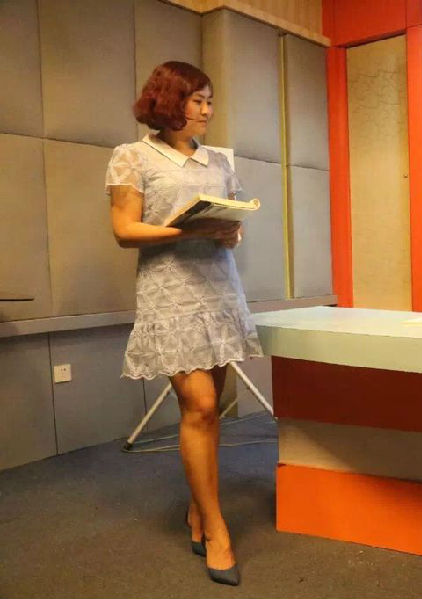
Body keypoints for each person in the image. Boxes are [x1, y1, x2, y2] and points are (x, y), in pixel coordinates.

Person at [105, 61, 261, 586]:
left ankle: (198, 509)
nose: (207, 110)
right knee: (200, 406)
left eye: (209, 101)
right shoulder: (132, 156)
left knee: (212, 413)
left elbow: (232, 224)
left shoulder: (217, 161)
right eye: (197, 100)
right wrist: (187, 232)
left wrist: (229, 231)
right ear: (169, 100)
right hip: (170, 294)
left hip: (219, 289)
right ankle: (216, 528)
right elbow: (124, 230)